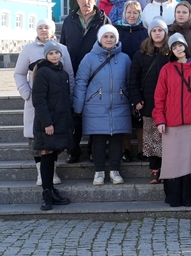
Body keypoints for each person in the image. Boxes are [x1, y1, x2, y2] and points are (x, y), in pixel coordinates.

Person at [73, 24, 138, 186]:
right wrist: (78, 107)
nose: (109, 39)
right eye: (106, 36)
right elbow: (81, 82)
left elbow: (130, 82)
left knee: (116, 139)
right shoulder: (89, 58)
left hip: (119, 105)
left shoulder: (124, 58)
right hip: (96, 105)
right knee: (99, 140)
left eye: (112, 37)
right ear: (100, 39)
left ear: (116, 39)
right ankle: (99, 172)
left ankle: (115, 171)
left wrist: (131, 103)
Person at [153, 33, 191, 207]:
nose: (178, 49)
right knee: (172, 160)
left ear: (185, 46)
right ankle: (174, 197)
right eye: (174, 47)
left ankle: (189, 197)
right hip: (170, 122)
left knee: (188, 160)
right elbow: (159, 97)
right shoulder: (166, 69)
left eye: (180, 45)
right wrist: (160, 119)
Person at [15, 18, 73, 186]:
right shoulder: (28, 49)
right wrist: (27, 93)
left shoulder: (62, 49)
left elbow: (69, 74)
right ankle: (41, 172)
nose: (43, 30)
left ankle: (51, 170)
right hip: (37, 101)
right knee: (36, 136)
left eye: (46, 27)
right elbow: (19, 73)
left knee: (54, 137)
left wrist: (68, 97)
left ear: (52, 30)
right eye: (40, 27)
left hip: (57, 103)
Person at [60, 0, 110, 163]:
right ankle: (73, 151)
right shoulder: (70, 20)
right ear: (77, 0)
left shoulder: (103, 20)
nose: (86, 2)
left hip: (96, 73)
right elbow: (62, 46)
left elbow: (108, 45)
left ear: (95, 0)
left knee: (95, 112)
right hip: (73, 72)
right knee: (75, 112)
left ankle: (92, 150)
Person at [31, 40, 74, 211]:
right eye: (51, 53)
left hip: (60, 121)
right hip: (47, 122)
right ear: (46, 55)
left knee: (52, 154)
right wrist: (47, 123)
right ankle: (47, 193)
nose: (54, 56)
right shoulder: (43, 72)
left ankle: (51, 190)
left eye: (57, 53)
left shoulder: (62, 73)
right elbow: (39, 100)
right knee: (47, 156)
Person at [128, 17, 169, 184]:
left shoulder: (171, 52)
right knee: (152, 138)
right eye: (154, 30)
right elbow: (133, 78)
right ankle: (154, 169)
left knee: (167, 138)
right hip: (149, 101)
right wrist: (136, 98)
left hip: (169, 102)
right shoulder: (141, 53)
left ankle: (167, 168)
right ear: (150, 33)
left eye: (160, 30)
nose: (157, 33)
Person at [115, 0, 148, 161]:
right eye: (129, 12)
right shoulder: (117, 31)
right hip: (120, 76)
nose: (132, 15)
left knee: (140, 116)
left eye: (135, 12)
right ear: (124, 13)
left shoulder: (144, 32)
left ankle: (143, 150)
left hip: (140, 77)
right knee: (124, 116)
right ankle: (125, 150)